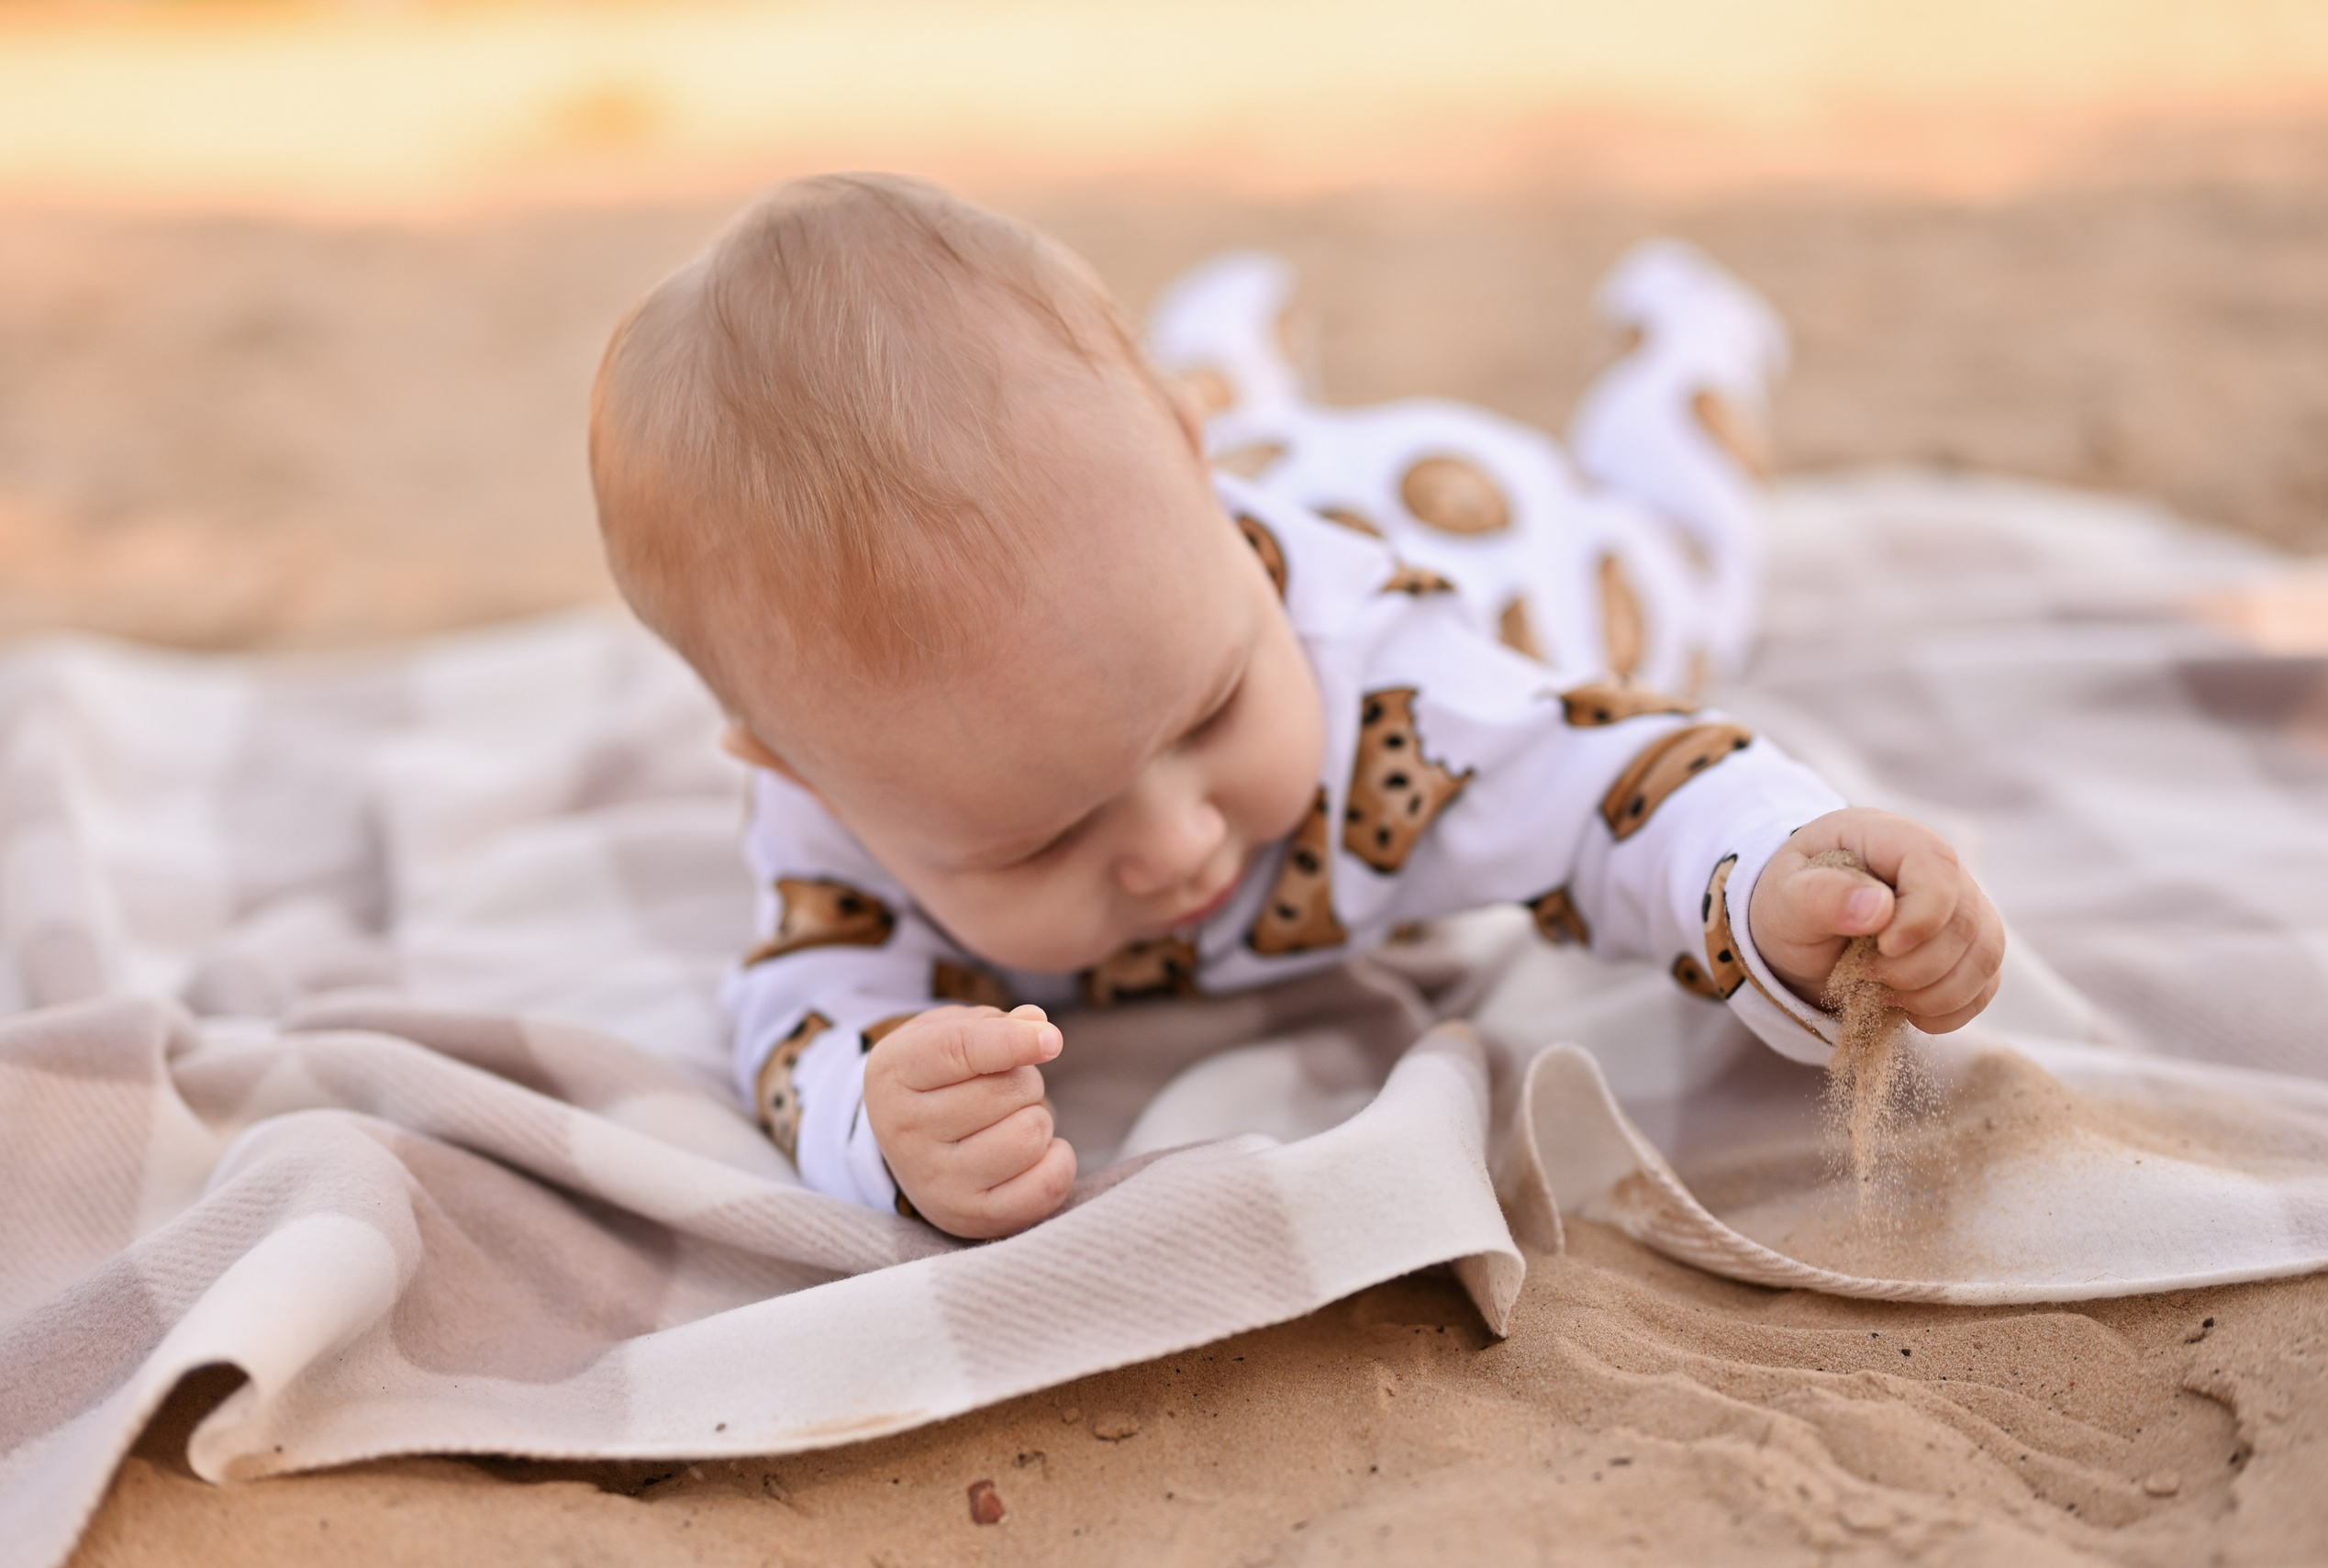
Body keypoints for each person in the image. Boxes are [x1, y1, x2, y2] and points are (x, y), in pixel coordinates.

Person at [587, 174, 2005, 1240]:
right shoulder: (853, 787)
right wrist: (879, 1117)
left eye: (1211, 711)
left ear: (1188, 467)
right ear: (802, 772)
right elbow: (803, 1007)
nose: (1178, 841)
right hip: (1227, 468)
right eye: (1040, 836)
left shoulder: (1408, 685)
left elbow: (1615, 789)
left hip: (1512, 542)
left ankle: (1691, 357)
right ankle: (1232, 351)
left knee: (1690, 567)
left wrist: (1769, 876)